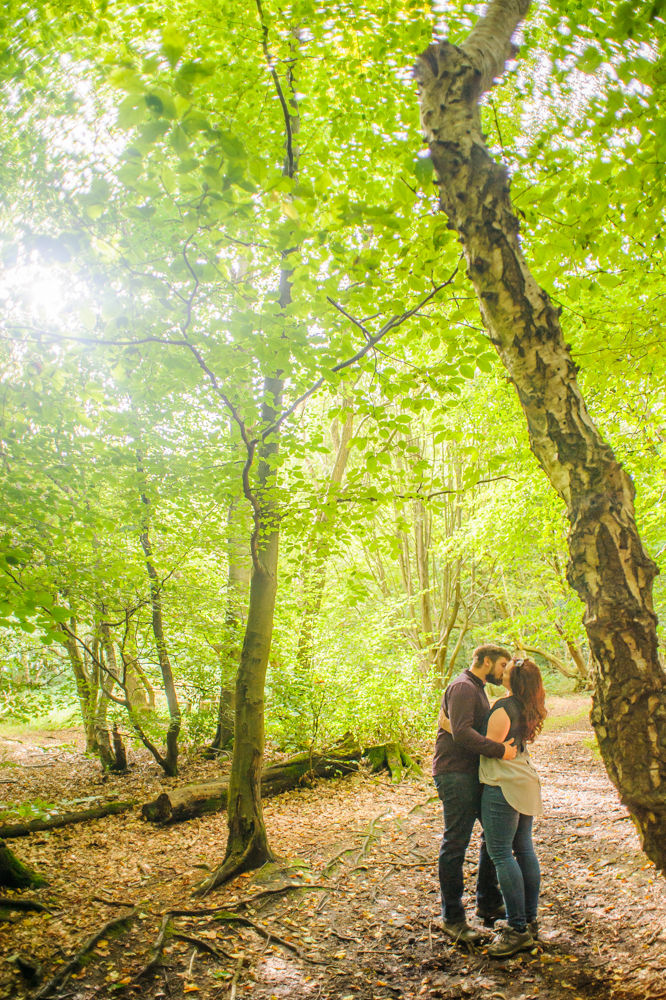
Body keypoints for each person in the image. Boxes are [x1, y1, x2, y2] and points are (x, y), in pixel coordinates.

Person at [433, 644, 518, 943]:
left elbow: (465, 728)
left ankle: (488, 901)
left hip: (473, 774)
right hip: (455, 774)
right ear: (485, 661)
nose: (504, 670)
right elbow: (464, 732)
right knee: (455, 843)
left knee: (492, 837)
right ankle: (453, 918)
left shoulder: (477, 687)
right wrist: (500, 751)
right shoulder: (463, 687)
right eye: (502, 664)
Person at [480, 656, 547, 958]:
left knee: (501, 853)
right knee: (524, 848)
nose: (502, 670)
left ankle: (517, 928)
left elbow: (488, 747)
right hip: (525, 780)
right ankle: (529, 921)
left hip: (503, 784)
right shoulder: (527, 705)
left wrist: (449, 726)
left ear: (513, 680)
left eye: (507, 670)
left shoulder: (503, 709)